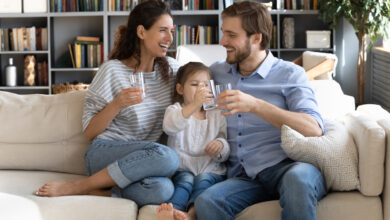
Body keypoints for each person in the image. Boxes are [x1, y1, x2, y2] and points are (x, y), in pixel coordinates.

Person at [35, 0, 181, 207]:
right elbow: (90, 132)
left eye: (172, 31)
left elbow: (199, 80)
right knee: (168, 157)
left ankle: (103, 191)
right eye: (163, 30)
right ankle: (81, 185)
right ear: (141, 32)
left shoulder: (173, 70)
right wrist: (117, 103)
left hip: (143, 162)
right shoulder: (112, 70)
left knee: (162, 189)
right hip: (106, 152)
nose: (170, 38)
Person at [193, 1, 327, 220]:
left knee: (298, 181)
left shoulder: (290, 74)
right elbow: (183, 84)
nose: (222, 41)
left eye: (231, 35)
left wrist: (256, 105)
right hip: (244, 177)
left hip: (289, 168)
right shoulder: (216, 72)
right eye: (223, 33)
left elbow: (313, 129)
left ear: (256, 38)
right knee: (207, 201)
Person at [156, 62, 230, 220]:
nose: (201, 89)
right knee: (185, 182)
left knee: (203, 181)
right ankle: (174, 210)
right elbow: (170, 126)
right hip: (184, 169)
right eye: (195, 84)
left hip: (211, 171)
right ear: (180, 89)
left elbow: (225, 142)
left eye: (206, 85)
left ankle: (191, 214)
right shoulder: (175, 110)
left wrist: (221, 146)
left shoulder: (217, 113)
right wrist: (195, 104)